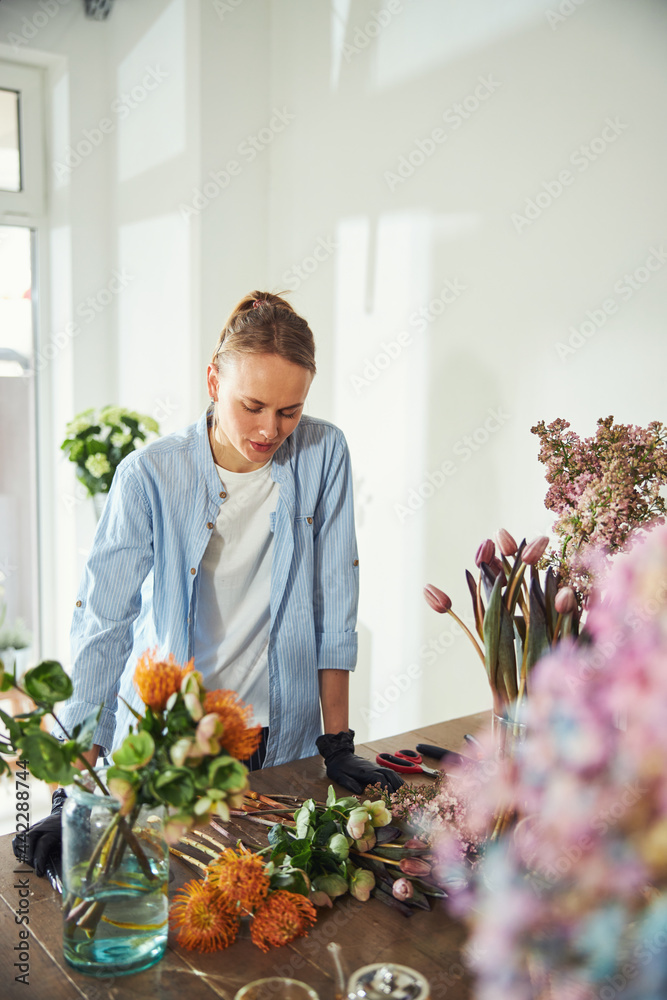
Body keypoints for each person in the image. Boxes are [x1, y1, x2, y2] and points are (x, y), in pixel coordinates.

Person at [16, 291, 402, 877]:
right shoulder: (149, 475)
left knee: (274, 897)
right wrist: (72, 789)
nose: (270, 429)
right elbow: (105, 622)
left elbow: (334, 600)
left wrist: (338, 741)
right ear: (213, 380)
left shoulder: (324, 453)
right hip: (169, 741)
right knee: (160, 896)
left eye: (290, 411)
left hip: (279, 735)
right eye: (252, 406)